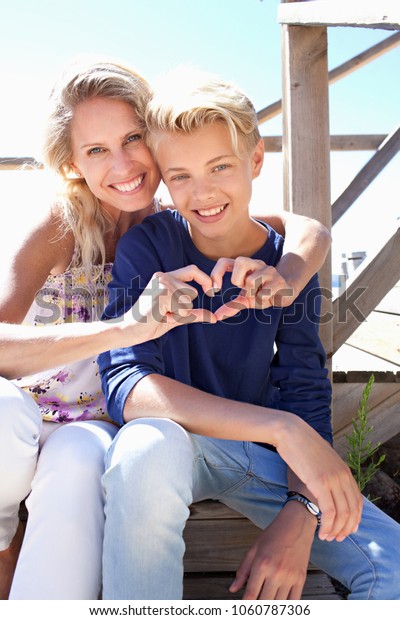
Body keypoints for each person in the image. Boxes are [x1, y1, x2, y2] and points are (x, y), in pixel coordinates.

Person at [0, 59, 331, 601]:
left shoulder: (179, 217)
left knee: (81, 462)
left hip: (97, 423)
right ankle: (3, 530)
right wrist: (123, 327)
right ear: (73, 164)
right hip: (26, 418)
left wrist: (296, 266)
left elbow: (292, 228)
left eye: (133, 138)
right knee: (4, 413)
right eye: (96, 150)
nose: (124, 163)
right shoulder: (62, 226)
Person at [98, 67, 400, 601]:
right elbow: (125, 386)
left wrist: (303, 508)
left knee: (393, 567)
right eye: (181, 175)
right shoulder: (148, 248)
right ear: (164, 180)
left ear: (255, 159)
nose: (203, 191)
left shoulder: (288, 266)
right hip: (175, 445)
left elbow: (305, 383)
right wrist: (282, 428)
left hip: (257, 459)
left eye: (220, 166)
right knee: (144, 447)